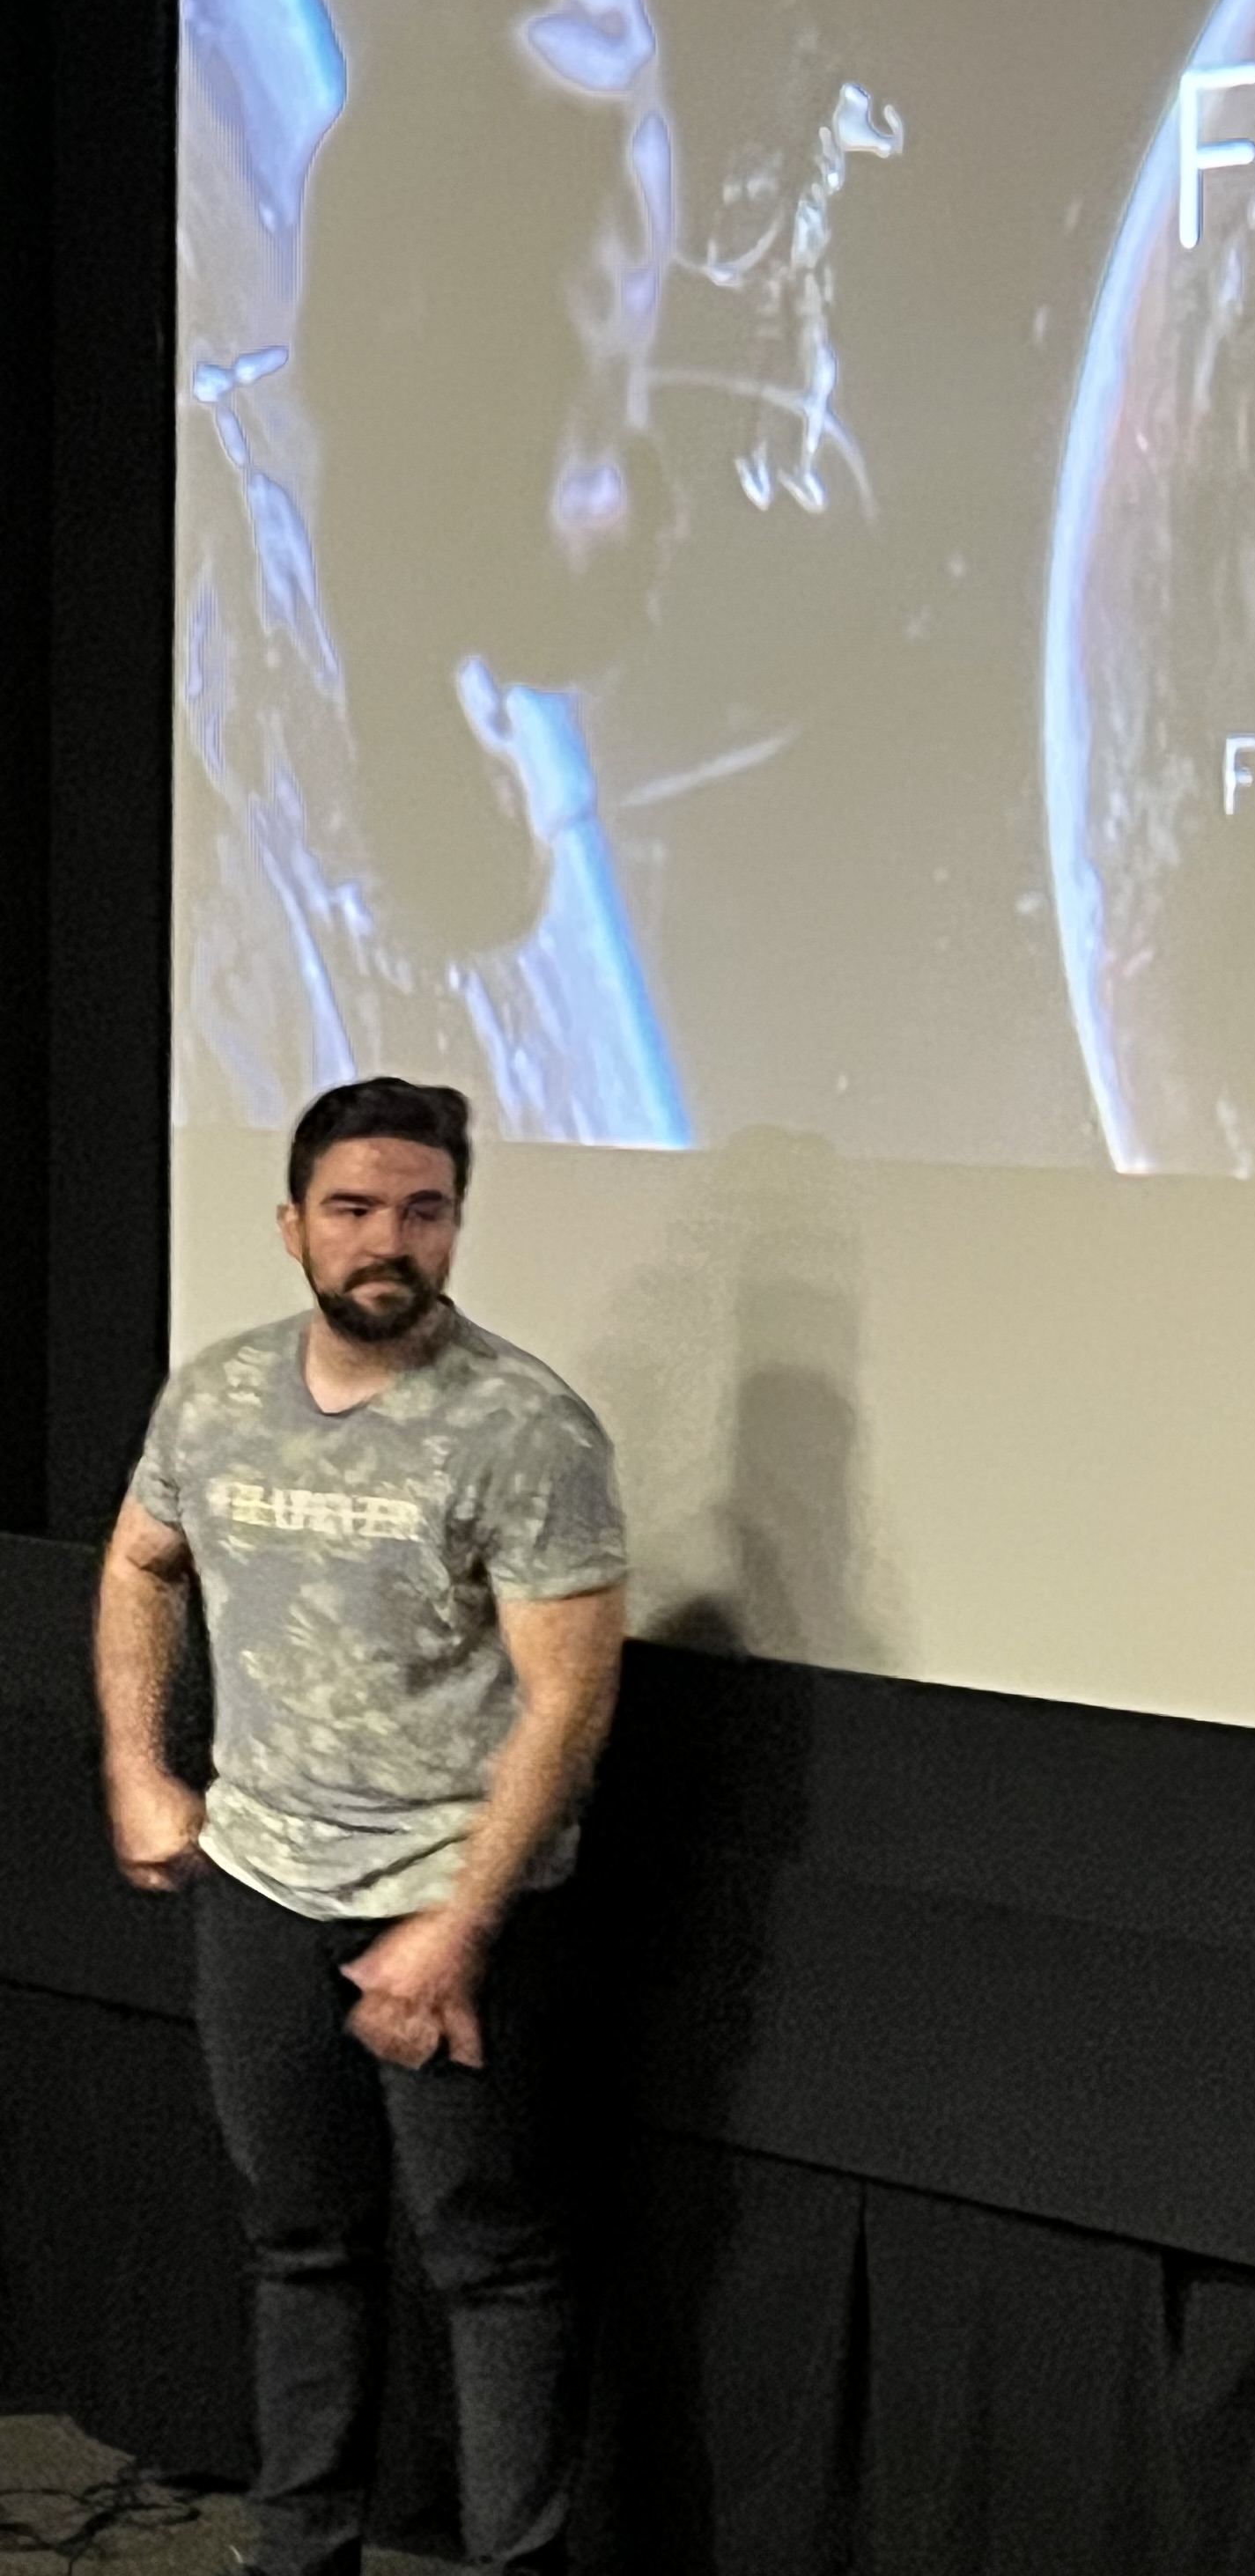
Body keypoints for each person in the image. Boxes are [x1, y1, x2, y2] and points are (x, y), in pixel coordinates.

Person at [92, 1078, 629, 2576]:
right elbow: (140, 1563)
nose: (388, 1240)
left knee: (490, 2258)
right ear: (293, 1227)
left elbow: (569, 1702)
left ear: (455, 1224)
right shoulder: (215, 1397)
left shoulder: (525, 1427)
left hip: (451, 1904)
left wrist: (458, 1928)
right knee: (300, 2245)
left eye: (423, 1210)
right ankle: (299, 2553)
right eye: (353, 1208)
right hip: (262, 1886)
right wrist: (138, 1765)